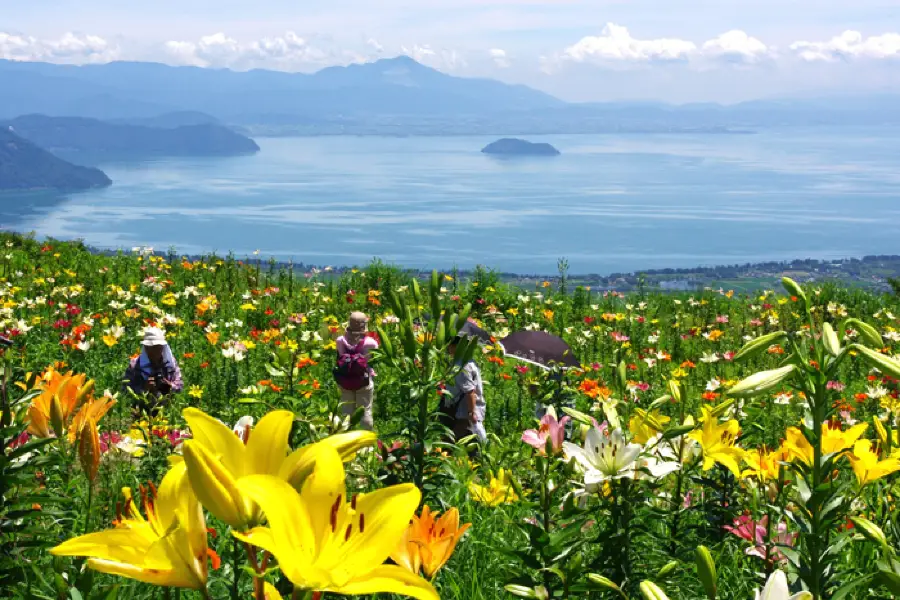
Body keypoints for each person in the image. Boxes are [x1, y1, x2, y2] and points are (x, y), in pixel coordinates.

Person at [335, 312, 379, 430]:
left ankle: (345, 437)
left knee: (346, 411)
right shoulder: (371, 343)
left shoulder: (340, 340)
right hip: (363, 380)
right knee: (365, 410)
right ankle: (366, 443)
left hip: (345, 380)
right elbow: (373, 359)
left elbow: (340, 357)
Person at [124, 327, 184, 412]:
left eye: (157, 347)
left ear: (163, 347)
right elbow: (125, 390)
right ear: (145, 347)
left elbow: (180, 385)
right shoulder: (135, 365)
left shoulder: (170, 364)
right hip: (141, 410)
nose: (154, 350)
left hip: (167, 409)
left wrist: (169, 386)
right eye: (151, 347)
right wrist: (145, 388)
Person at [445, 336, 487, 443]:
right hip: (465, 410)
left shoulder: (461, 366)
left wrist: (471, 412)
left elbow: (470, 392)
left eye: (449, 345)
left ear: (456, 347)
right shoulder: (468, 361)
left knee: (451, 440)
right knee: (470, 441)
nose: (447, 347)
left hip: (464, 411)